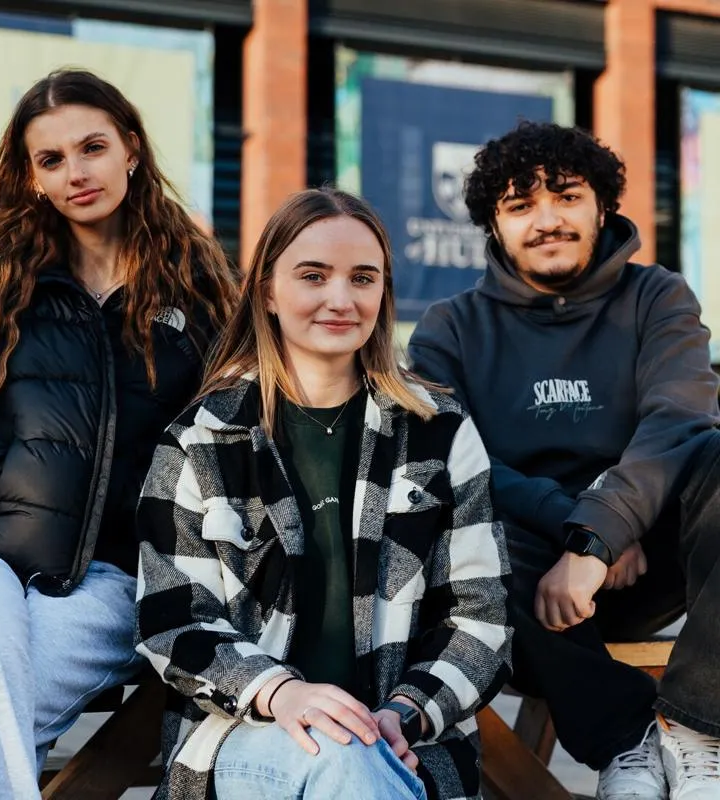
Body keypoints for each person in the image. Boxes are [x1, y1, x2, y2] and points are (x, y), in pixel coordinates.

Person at [0, 69, 237, 799]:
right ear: (30, 179)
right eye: (51, 160)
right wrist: (11, 480)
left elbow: (222, 445)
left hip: (117, 577)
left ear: (131, 148)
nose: (76, 173)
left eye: (91, 147)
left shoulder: (200, 294)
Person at [135, 187, 512, 800]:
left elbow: (479, 615)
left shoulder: (439, 429)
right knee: (342, 757)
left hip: (410, 744)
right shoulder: (203, 438)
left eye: (363, 278)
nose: (341, 299)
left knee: (357, 758)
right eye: (314, 276)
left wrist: (403, 714)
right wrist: (284, 694)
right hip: (241, 741)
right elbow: (172, 621)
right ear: (267, 291)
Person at [408, 120, 720, 800]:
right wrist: (583, 531)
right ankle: (627, 742)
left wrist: (609, 531)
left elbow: (680, 421)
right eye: (521, 206)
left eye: (567, 197)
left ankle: (700, 732)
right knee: (456, 516)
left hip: (653, 556)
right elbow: (459, 459)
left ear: (601, 206)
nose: (547, 220)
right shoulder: (448, 329)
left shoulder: (658, 296)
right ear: (493, 225)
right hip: (525, 579)